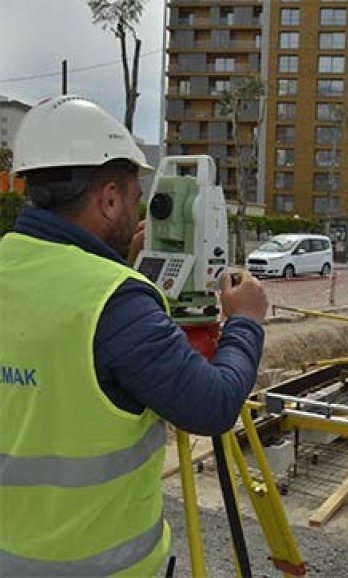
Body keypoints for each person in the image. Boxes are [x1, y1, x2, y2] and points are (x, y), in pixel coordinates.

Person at [0, 95, 268, 576]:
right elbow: (212, 406)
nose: (138, 209)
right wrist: (245, 321)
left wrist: (115, 267)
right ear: (108, 199)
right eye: (131, 196)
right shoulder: (117, 302)